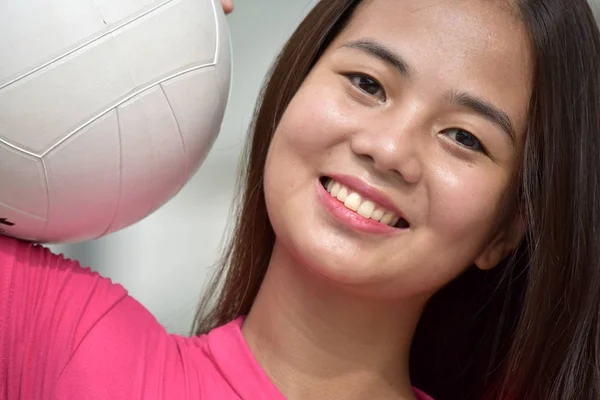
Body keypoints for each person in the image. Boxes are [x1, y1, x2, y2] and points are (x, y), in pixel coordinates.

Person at [2, 0, 600, 399]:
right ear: (294, 85)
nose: (388, 148)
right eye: (367, 83)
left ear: (506, 231)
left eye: (464, 137)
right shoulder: (61, 340)